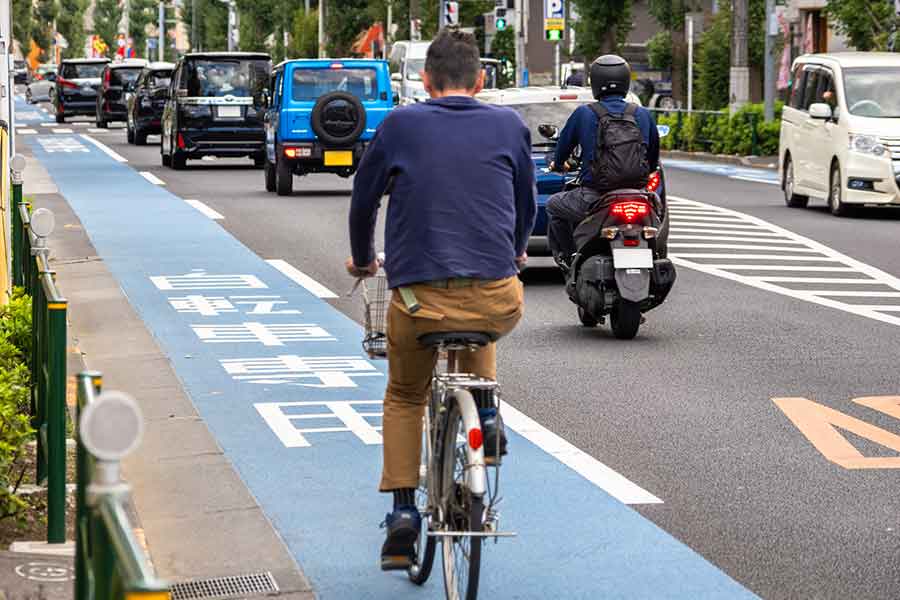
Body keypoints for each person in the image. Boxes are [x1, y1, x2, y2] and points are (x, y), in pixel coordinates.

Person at [346, 27, 536, 571]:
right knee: (485, 313)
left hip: (416, 301)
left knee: (405, 396)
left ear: (425, 80)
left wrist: (363, 258)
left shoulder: (401, 124)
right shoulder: (508, 124)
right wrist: (516, 252)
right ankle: (490, 417)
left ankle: (404, 512)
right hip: (496, 296)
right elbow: (524, 205)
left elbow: (363, 202)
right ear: (479, 80)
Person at [547, 55, 660, 270]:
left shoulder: (584, 113)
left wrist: (558, 164)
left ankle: (570, 257)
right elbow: (653, 159)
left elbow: (562, 149)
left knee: (553, 205)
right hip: (639, 195)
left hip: (595, 197)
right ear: (626, 81)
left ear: (595, 82)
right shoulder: (643, 114)